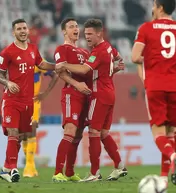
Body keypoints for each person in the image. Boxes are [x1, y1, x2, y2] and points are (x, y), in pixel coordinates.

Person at [131, 0, 176, 186]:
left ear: (160, 7)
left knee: (158, 132)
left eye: (154, 5)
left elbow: (135, 57)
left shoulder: (146, 28)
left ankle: (173, 155)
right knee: (172, 132)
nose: (152, 9)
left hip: (156, 84)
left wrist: (156, 59)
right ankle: (163, 178)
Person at [56, 18, 126, 182]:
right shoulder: (108, 47)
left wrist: (64, 65)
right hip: (109, 92)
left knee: (94, 132)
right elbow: (118, 58)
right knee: (103, 133)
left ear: (99, 33)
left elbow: (84, 69)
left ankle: (94, 172)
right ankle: (119, 166)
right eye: (85, 33)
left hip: (98, 94)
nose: (86, 36)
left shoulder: (97, 51)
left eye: (90, 34)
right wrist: (113, 68)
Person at [0, 18, 56, 183]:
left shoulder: (33, 49)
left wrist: (57, 65)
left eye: (24, 28)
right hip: (11, 100)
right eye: (19, 29)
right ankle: (13, 169)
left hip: (28, 102)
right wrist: (8, 82)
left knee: (21, 135)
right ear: (13, 32)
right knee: (13, 132)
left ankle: (5, 169)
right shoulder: (7, 52)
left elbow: (42, 63)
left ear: (28, 31)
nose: (22, 31)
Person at [51, 18, 91, 183]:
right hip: (71, 93)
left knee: (78, 135)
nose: (76, 28)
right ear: (63, 31)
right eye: (71, 26)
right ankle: (57, 172)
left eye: (76, 26)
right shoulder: (61, 49)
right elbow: (60, 72)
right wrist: (77, 84)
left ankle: (69, 172)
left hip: (85, 95)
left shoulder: (85, 52)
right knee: (70, 130)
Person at [22, 65, 59, 178]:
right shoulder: (18, 62)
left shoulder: (37, 63)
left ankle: (28, 166)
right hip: (19, 102)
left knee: (31, 131)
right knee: (23, 135)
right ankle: (31, 166)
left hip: (33, 102)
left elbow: (55, 75)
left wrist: (45, 93)